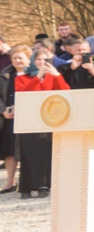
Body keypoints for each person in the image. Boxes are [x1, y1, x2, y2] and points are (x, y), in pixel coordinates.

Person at [14, 47, 69, 197]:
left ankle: (43, 185)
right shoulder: (21, 77)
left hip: (47, 119)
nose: (41, 62)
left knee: (46, 152)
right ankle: (26, 187)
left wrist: (57, 75)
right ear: (33, 61)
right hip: (29, 120)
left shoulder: (52, 77)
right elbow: (23, 93)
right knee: (29, 154)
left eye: (45, 60)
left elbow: (65, 91)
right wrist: (37, 77)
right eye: (38, 59)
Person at [0, 45, 18, 193]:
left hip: (30, 117)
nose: (17, 61)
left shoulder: (35, 74)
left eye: (20, 58)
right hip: (9, 117)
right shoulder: (4, 75)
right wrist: (3, 110)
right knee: (9, 150)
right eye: (14, 58)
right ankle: (10, 182)